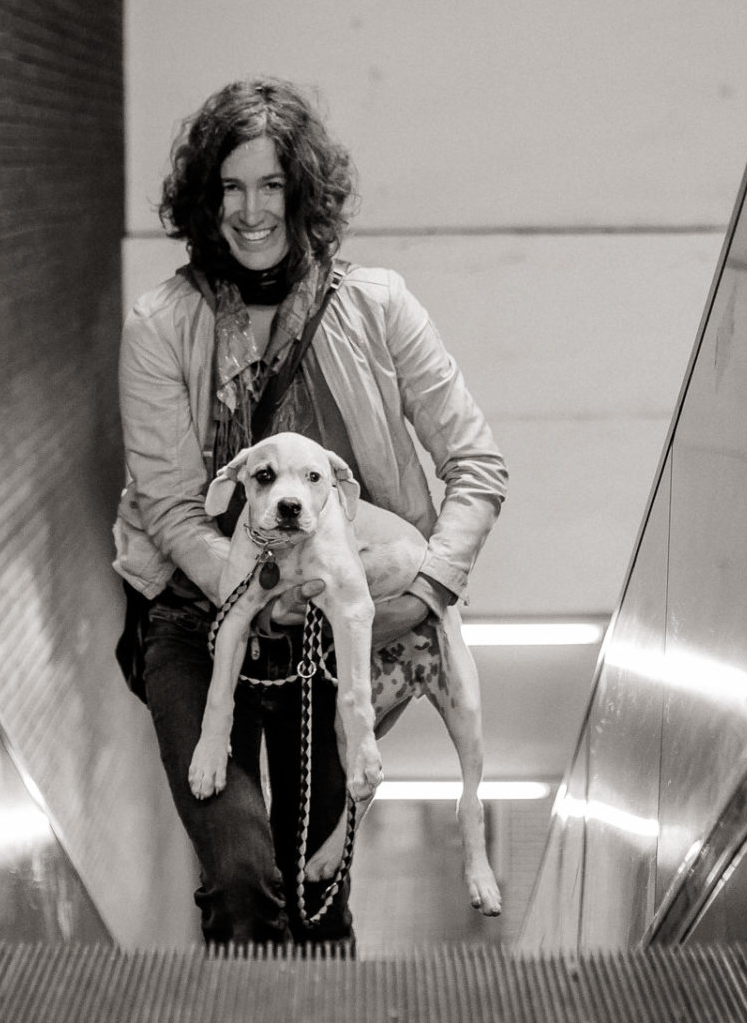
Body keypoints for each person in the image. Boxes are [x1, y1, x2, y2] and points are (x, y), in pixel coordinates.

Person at [114, 78, 507, 946]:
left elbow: (477, 467)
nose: (252, 212)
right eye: (231, 188)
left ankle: (322, 1000)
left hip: (335, 626)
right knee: (242, 878)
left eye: (272, 186)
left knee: (317, 896)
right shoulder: (160, 326)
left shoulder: (379, 306)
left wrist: (427, 590)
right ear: (206, 200)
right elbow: (174, 512)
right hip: (195, 617)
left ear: (304, 195)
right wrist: (258, 596)